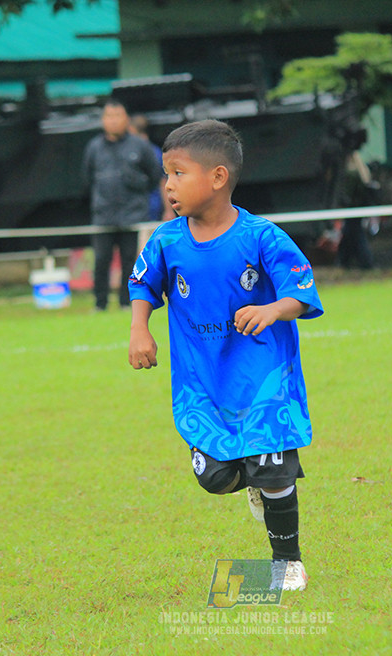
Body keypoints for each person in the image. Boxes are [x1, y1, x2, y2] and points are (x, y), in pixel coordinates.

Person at [127, 119, 323, 591]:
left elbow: (301, 289)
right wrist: (139, 329)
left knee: (274, 470)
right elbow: (142, 283)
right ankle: (251, 481)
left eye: (178, 173)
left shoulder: (261, 236)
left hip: (262, 379)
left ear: (217, 177)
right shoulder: (166, 240)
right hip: (202, 384)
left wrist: (273, 309)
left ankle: (287, 563)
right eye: (166, 174)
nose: (168, 185)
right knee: (214, 477)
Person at [79, 99, 164, 311]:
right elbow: (86, 179)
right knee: (101, 260)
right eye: (109, 116)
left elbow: (155, 176)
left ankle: (126, 302)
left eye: (118, 116)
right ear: (103, 120)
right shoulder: (94, 147)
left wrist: (137, 187)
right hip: (103, 216)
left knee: (130, 261)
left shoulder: (140, 146)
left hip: (133, 215)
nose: (114, 121)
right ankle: (100, 304)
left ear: (126, 119)